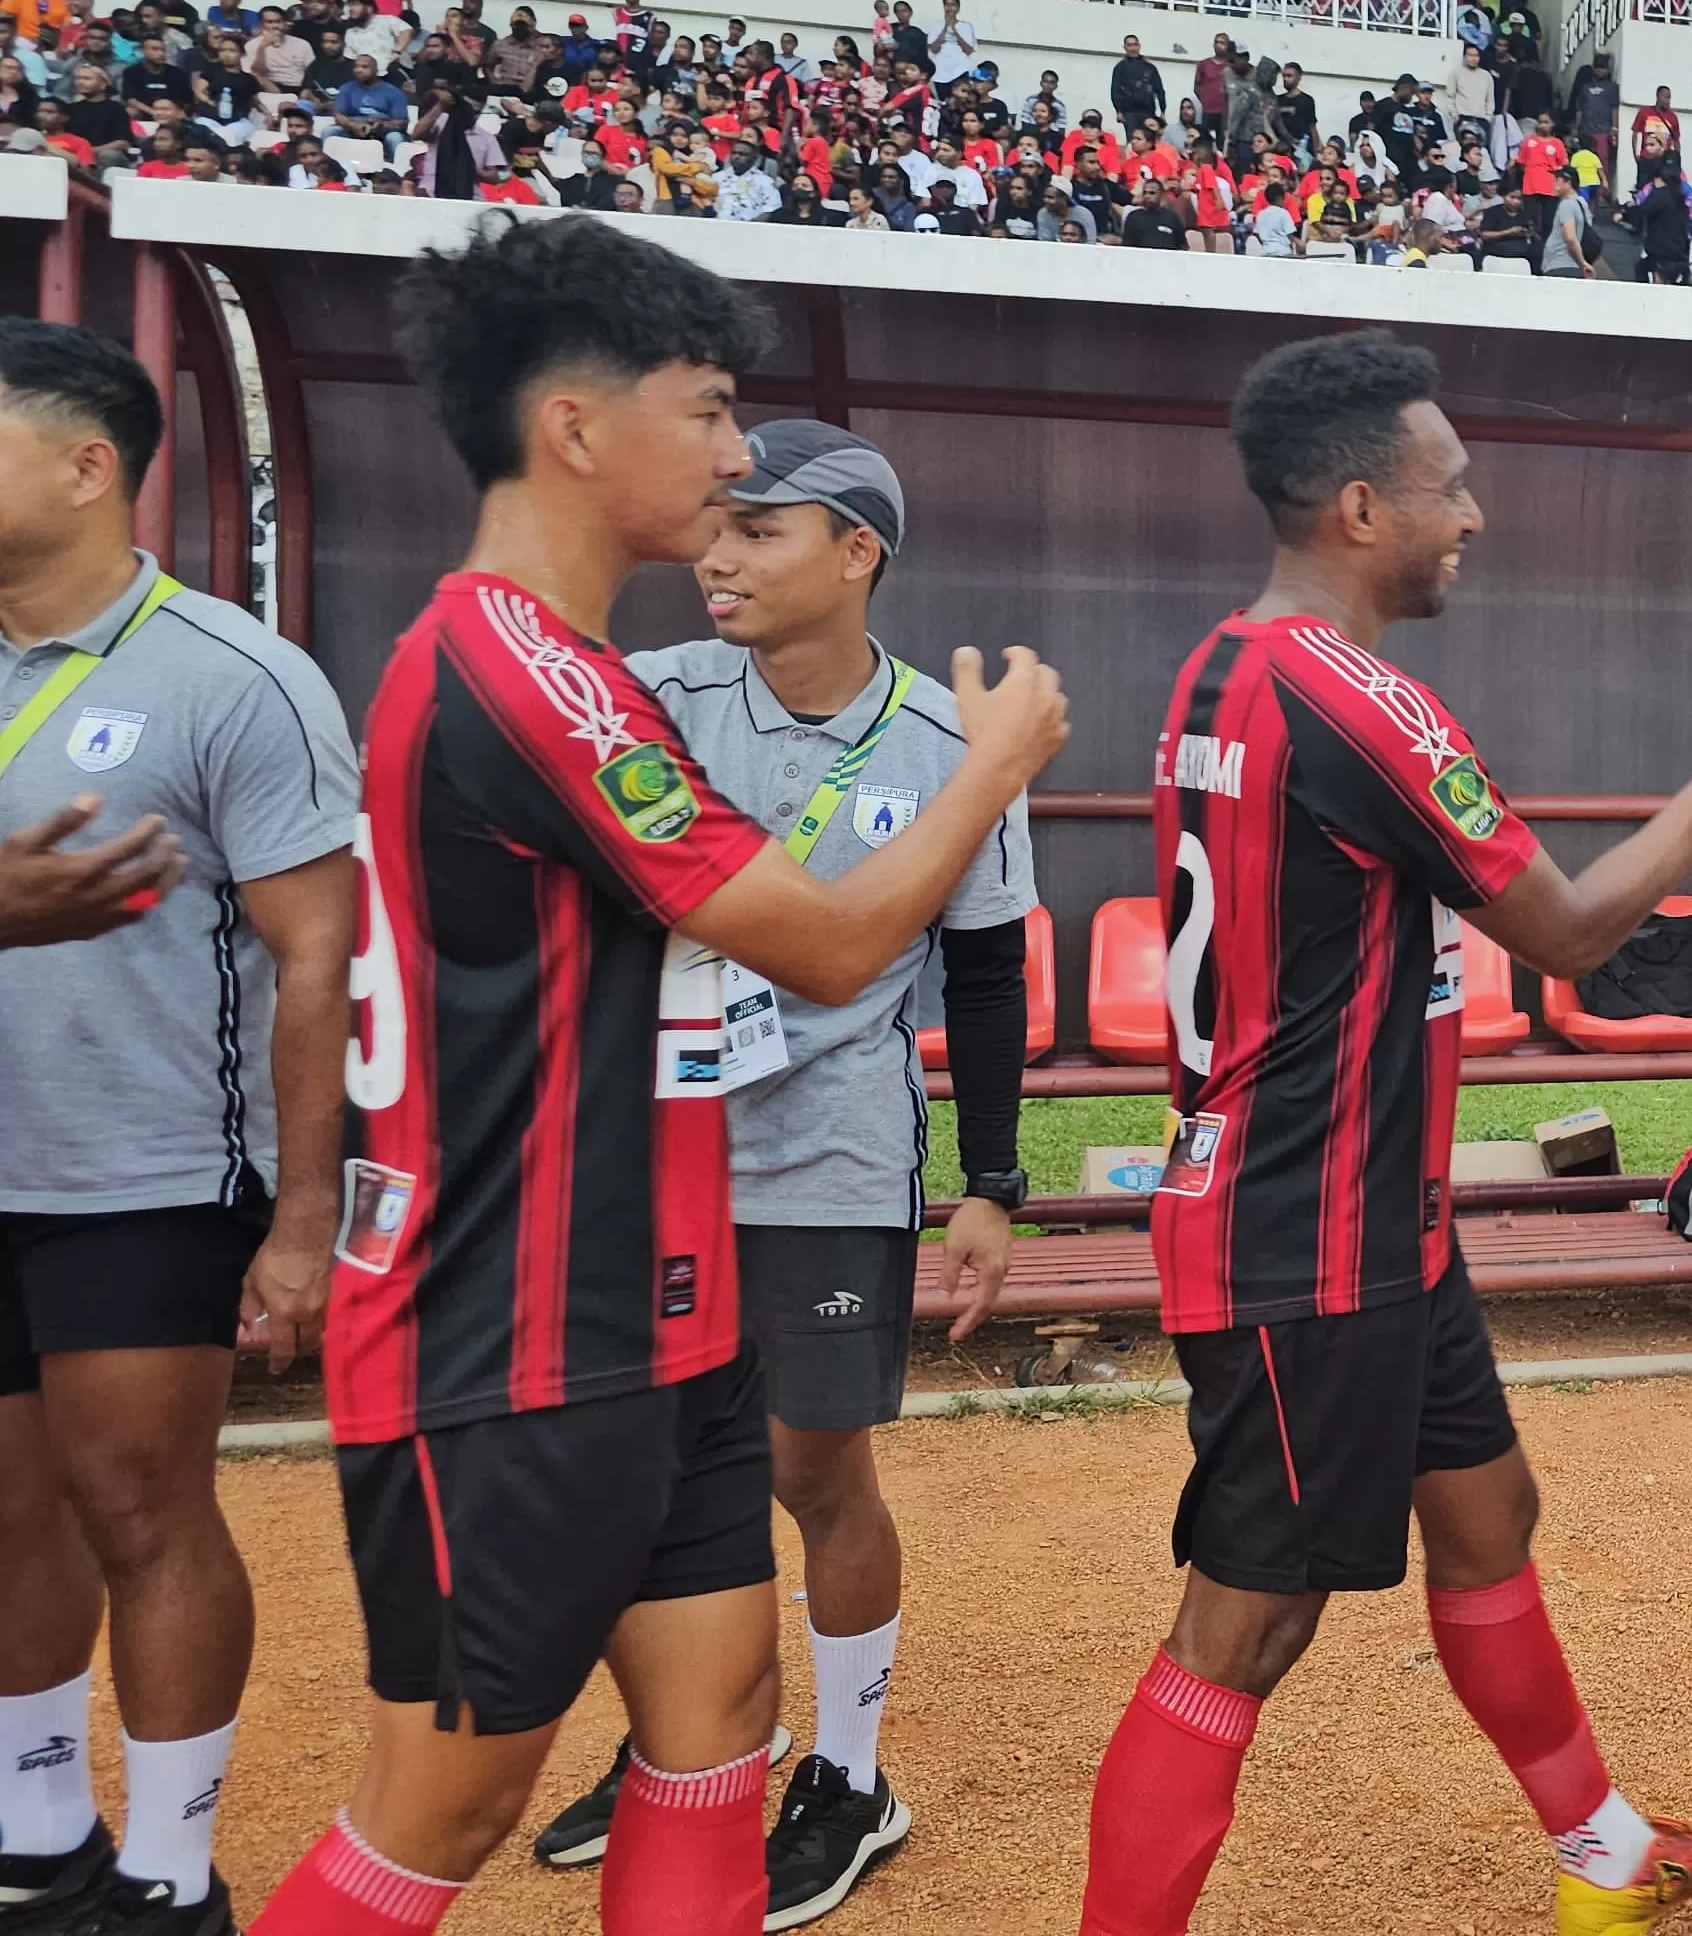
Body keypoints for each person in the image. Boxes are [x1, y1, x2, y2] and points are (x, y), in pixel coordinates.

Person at [239, 216, 1072, 1936]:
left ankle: (837, 1778)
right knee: (440, 1809)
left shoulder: (557, 667)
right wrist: (989, 774)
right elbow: (831, 948)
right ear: (574, 426)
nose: (723, 458)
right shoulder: (532, 674)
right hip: (519, 1326)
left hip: (663, 1303)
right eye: (704, 414)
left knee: (712, 1736)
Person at [1075, 331, 1692, 1936]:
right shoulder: (1358, 696)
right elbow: (1568, 938)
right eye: (1454, 488)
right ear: (1362, 507)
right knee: (1243, 1627)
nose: (1474, 516)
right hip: (1306, 1226)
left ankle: (1608, 1864)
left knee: (1489, 1516)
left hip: (1367, 1215)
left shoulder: (1228, 664)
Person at [522, 425, 1036, 1926]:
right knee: (655, 1471)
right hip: (654, 1152)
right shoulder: (656, 700)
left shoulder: (953, 741)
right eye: (715, 527)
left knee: (814, 1470)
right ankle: (690, 1739)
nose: (717, 554)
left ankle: (855, 1775)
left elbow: (988, 975)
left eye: (760, 529)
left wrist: (993, 1183)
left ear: (857, 553)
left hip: (830, 1156)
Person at [0, 324, 359, 1936]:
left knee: (142, 1509)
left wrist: (299, 1220)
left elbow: (316, 955)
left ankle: (169, 1873)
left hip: (147, 1173)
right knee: (8, 1511)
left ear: (88, 467)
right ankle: (39, 1829)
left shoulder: (237, 677)